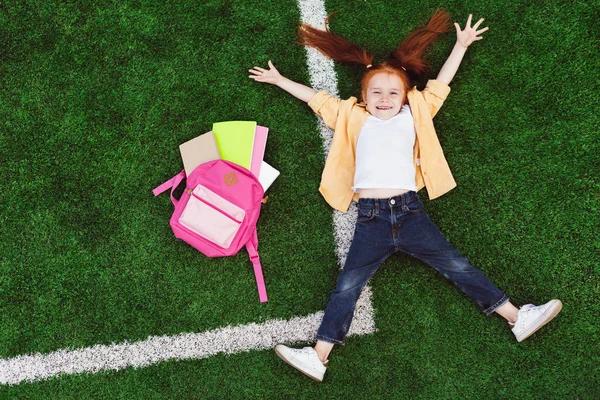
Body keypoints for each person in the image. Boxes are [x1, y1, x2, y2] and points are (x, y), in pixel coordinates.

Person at [249, 11, 562, 382]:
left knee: (456, 265)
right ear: (363, 96)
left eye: (393, 92)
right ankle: (319, 355)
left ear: (405, 95)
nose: (385, 99)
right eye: (376, 93)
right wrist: (279, 78)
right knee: (348, 284)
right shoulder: (351, 116)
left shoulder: (416, 114)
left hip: (410, 212)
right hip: (370, 218)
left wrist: (460, 46)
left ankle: (517, 317)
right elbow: (316, 98)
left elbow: (440, 85)